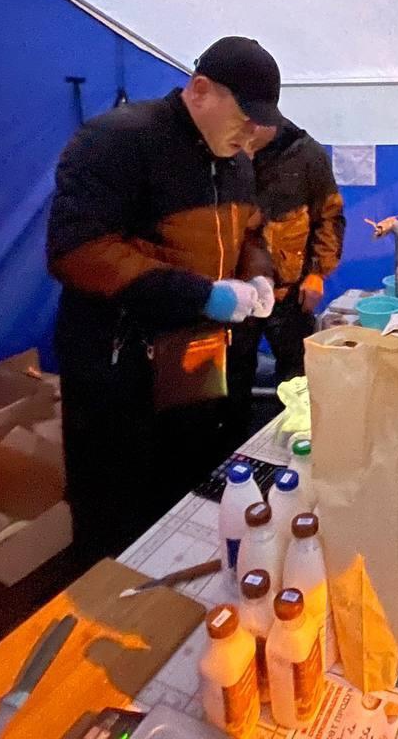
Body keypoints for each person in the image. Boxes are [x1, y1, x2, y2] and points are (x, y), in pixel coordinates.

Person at [47, 36, 282, 560]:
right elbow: (77, 249)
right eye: (244, 115)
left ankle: (181, 602)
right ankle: (105, 607)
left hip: (196, 361)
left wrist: (258, 275)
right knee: (119, 509)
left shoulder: (236, 162)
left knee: (189, 489)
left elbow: (251, 234)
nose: (252, 131)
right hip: (120, 367)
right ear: (200, 91)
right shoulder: (118, 140)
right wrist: (201, 295)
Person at [227, 116, 346, 434]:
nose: (245, 133)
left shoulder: (308, 155)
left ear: (269, 118)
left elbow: (330, 217)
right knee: (232, 377)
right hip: (237, 292)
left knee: (295, 381)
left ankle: (295, 446)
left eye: (251, 126)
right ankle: (232, 451)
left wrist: (318, 274)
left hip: (291, 293)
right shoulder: (226, 149)